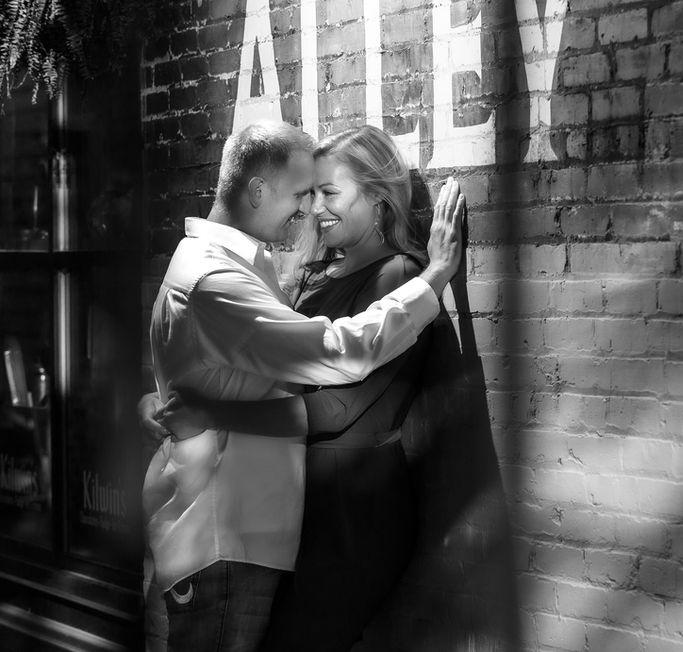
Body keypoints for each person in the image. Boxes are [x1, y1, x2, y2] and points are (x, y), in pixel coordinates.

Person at [142, 120, 465, 652]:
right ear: (258, 191)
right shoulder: (238, 278)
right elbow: (313, 360)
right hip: (240, 529)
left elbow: (335, 397)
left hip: (332, 516)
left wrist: (201, 409)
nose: (310, 210)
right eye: (304, 194)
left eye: (326, 192)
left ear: (379, 199)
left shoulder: (380, 275)